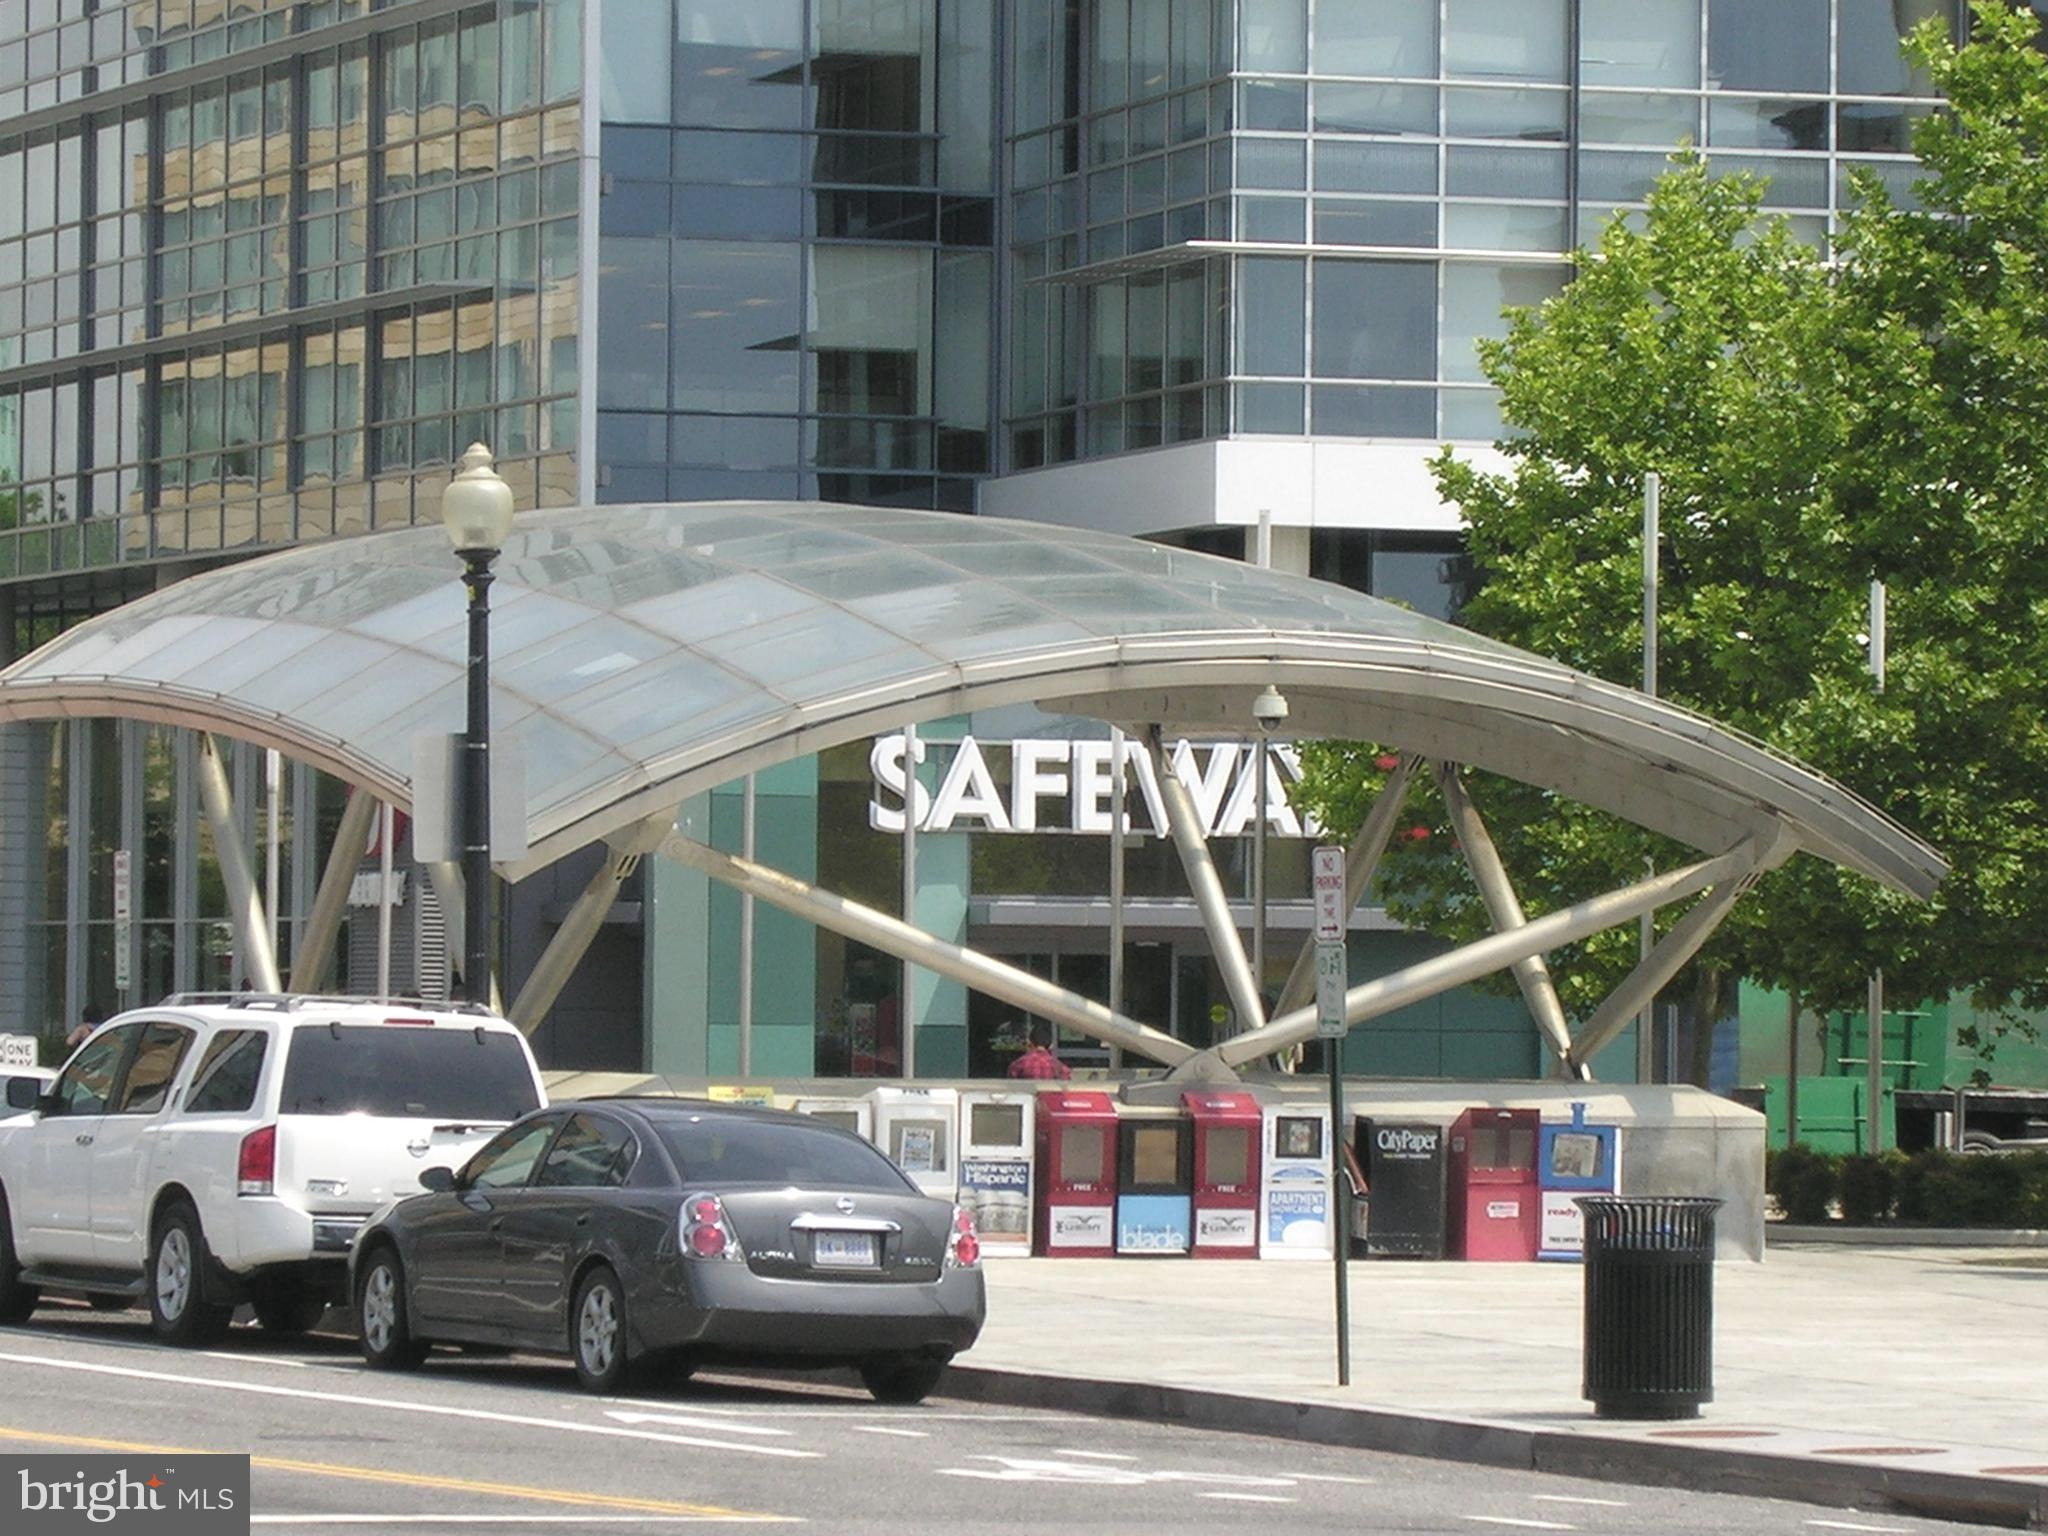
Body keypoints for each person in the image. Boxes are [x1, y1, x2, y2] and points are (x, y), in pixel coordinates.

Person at [1006, 1020, 1071, 1081]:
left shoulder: (1018, 1064)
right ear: (1051, 1045)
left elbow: (1011, 1088)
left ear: (1029, 1043)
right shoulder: (1059, 1067)